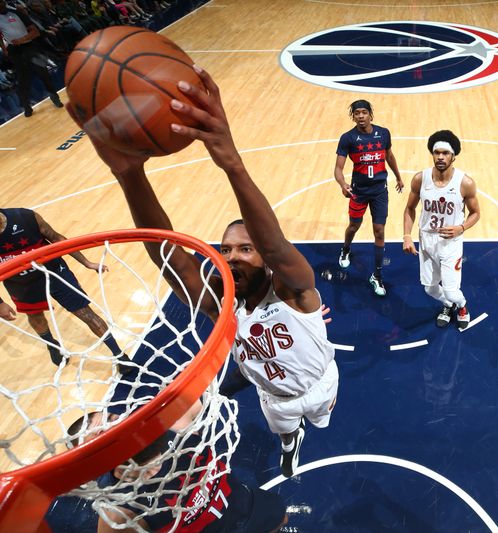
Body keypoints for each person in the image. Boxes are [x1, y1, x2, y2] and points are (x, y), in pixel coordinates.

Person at [69, 64, 338, 479]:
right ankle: (290, 440)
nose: (231, 256)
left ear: (264, 258)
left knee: (322, 418)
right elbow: (168, 256)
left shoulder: (295, 291)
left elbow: (277, 246)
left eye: (245, 248)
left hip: (321, 383)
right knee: (284, 430)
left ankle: (308, 425)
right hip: (273, 397)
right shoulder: (220, 304)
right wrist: (129, 175)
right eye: (225, 249)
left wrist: (231, 163)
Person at [68, 406, 288, 532]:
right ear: (96, 461)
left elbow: (197, 391)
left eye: (113, 419)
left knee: (281, 520)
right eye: (101, 436)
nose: (116, 428)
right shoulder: (118, 512)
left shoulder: (173, 424)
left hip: (250, 505)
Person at [0, 207, 133, 371]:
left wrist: (87, 263)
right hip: (21, 284)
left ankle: (119, 354)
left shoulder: (25, 217)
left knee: (85, 313)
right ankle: (51, 344)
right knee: (35, 316)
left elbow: (56, 238)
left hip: (55, 272)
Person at [401, 130, 480, 329]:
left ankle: (461, 305)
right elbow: (409, 209)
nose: (440, 157)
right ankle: (448, 304)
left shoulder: (465, 183)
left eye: (445, 153)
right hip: (426, 240)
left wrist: (461, 228)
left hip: (450, 243)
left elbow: (476, 213)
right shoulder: (420, 179)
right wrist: (407, 236)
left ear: (453, 156)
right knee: (429, 288)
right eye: (437, 153)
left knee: (452, 290)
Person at [333, 100, 403, 297]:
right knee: (353, 226)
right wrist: (342, 184)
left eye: (364, 112)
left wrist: (398, 176)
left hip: (380, 190)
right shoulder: (348, 138)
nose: (361, 116)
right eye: (357, 113)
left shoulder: (383, 133)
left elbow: (389, 156)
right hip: (359, 191)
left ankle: (377, 276)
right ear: (353, 117)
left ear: (371, 115)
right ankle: (345, 249)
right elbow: (338, 168)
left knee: (379, 231)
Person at [0, 0, 63, 117]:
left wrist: (22, 40)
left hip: (29, 46)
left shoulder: (17, 13)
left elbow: (36, 32)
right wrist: (4, 49)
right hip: (15, 51)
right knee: (23, 80)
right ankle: (26, 106)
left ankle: (55, 97)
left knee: (43, 72)